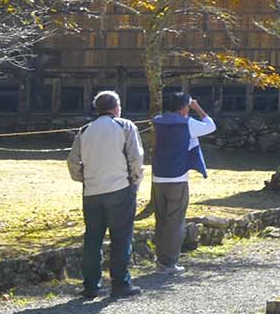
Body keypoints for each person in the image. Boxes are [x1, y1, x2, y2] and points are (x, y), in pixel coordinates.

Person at [68, 89, 144, 299]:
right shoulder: (125, 126)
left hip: (92, 191)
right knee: (121, 238)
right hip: (119, 188)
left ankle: (91, 285)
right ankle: (120, 283)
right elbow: (136, 159)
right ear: (116, 107)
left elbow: (73, 162)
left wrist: (84, 178)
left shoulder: (85, 130)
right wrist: (134, 182)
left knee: (93, 239)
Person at [150, 88, 216, 274]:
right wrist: (198, 107)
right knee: (175, 221)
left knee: (161, 219)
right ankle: (169, 263)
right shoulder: (187, 123)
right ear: (184, 107)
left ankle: (160, 259)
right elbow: (211, 126)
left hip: (158, 176)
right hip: (177, 177)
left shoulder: (158, 121)